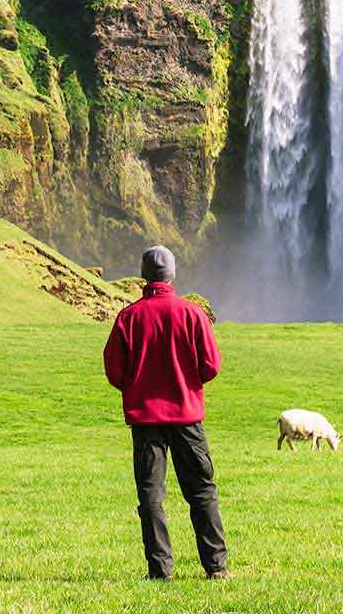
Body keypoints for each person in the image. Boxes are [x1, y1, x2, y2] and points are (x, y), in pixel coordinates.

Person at [103, 245, 228, 580]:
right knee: (202, 490)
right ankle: (216, 567)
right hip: (187, 417)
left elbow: (114, 370)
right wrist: (189, 384)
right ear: (172, 274)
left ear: (144, 275)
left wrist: (137, 388)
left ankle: (160, 570)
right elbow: (212, 365)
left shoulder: (129, 317)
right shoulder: (192, 314)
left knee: (151, 494)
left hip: (146, 421)